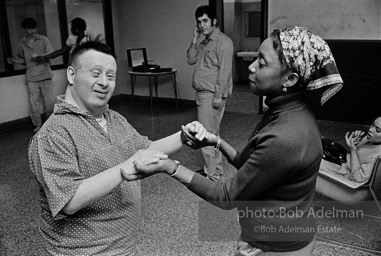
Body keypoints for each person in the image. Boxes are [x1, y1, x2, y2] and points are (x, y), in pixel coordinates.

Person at [125, 26, 343, 255]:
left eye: (262, 62)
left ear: (290, 78)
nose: (251, 66)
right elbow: (254, 167)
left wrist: (168, 166)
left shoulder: (287, 136)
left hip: (279, 244)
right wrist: (214, 141)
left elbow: (226, 196)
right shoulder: (288, 112)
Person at [28, 40, 206, 255]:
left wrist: (184, 136)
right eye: (96, 73)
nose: (104, 82)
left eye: (110, 76)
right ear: (71, 75)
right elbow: (70, 200)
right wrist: (128, 166)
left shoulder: (114, 118)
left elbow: (146, 149)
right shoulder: (54, 133)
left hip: (123, 247)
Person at [186, 5, 234, 181]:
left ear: (214, 21)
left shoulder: (223, 42)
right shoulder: (204, 41)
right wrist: (194, 39)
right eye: (199, 22)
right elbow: (190, 59)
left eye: (205, 21)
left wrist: (218, 96)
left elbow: (225, 71)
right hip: (203, 94)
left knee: (205, 135)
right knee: (213, 134)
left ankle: (211, 176)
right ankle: (216, 171)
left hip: (210, 95)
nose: (201, 25)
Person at [7, 17, 54, 132]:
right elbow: (24, 60)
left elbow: (52, 53)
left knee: (49, 102)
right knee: (34, 103)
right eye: (29, 29)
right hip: (32, 77)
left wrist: (39, 56)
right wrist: (14, 61)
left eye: (33, 28)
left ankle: (49, 124)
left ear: (36, 28)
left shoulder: (43, 39)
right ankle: (38, 124)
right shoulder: (22, 42)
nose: (32, 31)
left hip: (45, 74)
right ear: (25, 29)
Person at [320, 116, 381, 183]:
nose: (371, 130)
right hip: (344, 159)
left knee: (313, 160)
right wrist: (357, 143)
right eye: (372, 125)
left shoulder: (378, 158)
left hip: (345, 173)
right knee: (320, 141)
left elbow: (357, 178)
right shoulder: (370, 138)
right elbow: (357, 156)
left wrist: (353, 150)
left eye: (378, 130)